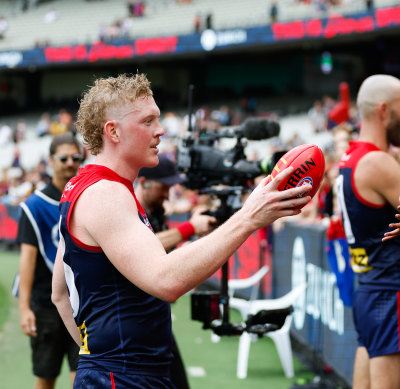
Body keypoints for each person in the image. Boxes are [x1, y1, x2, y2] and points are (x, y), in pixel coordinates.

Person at [50, 73, 311, 388]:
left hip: (120, 372)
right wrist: (248, 217)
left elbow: (60, 293)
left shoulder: (86, 186)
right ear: (113, 131)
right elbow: (167, 280)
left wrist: (94, 355)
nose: (160, 130)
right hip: (123, 376)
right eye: (148, 121)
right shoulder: (106, 192)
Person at [336, 74, 400, 389]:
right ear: (383, 110)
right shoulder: (376, 161)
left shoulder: (350, 158)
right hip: (392, 292)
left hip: (369, 288)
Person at [135, 154, 216, 389]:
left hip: (155, 319)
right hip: (135, 326)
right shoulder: (130, 210)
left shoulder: (157, 212)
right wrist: (190, 227)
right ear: (144, 182)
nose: (167, 194)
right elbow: (144, 246)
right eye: (164, 187)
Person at [18, 133, 82, 389]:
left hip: (81, 302)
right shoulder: (34, 206)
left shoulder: (84, 197)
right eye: (63, 157)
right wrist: (24, 308)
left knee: (83, 374)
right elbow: (28, 261)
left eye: (75, 157)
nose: (70, 163)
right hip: (46, 304)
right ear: (50, 161)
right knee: (46, 377)